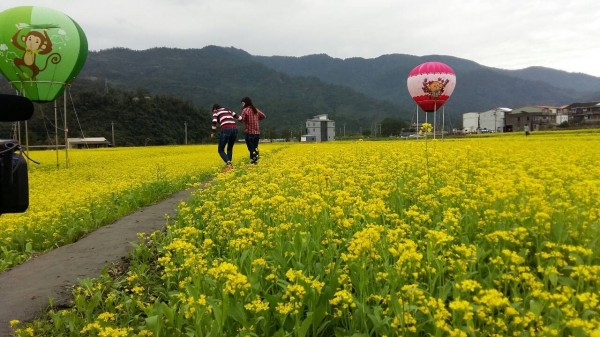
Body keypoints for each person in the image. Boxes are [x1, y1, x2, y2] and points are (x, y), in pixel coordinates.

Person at [211, 104, 242, 171]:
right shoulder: (228, 110)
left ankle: (229, 165)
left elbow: (214, 121)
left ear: (214, 109)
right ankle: (229, 167)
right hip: (235, 129)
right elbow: (239, 118)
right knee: (229, 148)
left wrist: (213, 132)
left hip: (226, 129)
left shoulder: (215, 111)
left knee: (221, 150)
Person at [240, 96, 266, 164]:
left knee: (251, 149)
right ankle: (256, 161)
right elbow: (263, 116)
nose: (242, 105)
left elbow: (242, 119)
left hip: (249, 133)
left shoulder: (245, 110)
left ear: (245, 103)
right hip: (257, 133)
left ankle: (253, 161)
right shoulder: (255, 109)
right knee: (255, 148)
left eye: (242, 103)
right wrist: (257, 119)